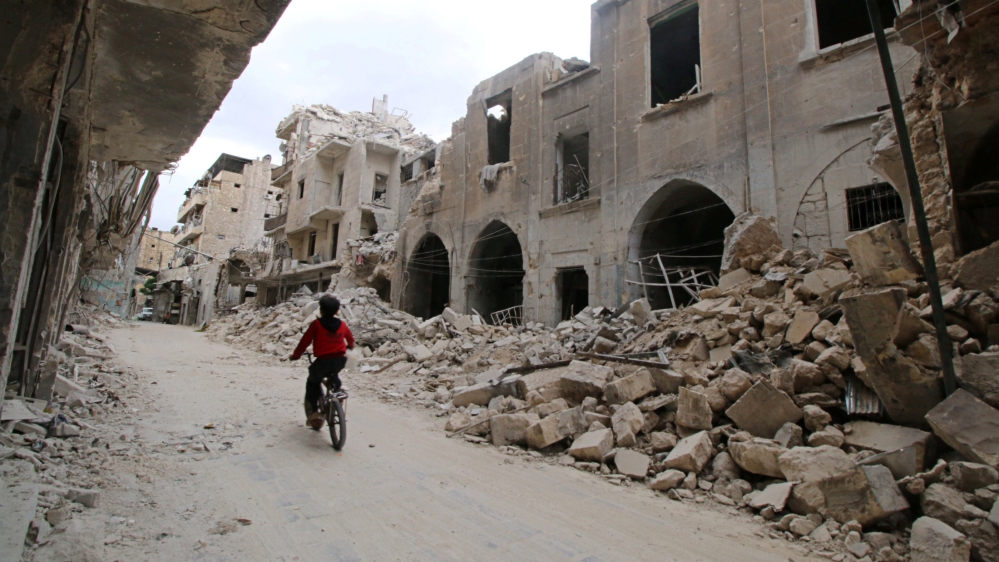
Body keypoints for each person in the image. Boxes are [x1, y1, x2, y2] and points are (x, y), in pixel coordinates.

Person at [290, 295, 355, 430]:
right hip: (339, 361)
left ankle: (314, 411)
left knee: (313, 381)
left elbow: (304, 342)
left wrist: (296, 355)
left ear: (321, 310)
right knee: (334, 373)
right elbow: (351, 340)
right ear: (337, 311)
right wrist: (349, 347)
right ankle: (337, 391)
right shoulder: (342, 324)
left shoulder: (316, 325)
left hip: (322, 361)